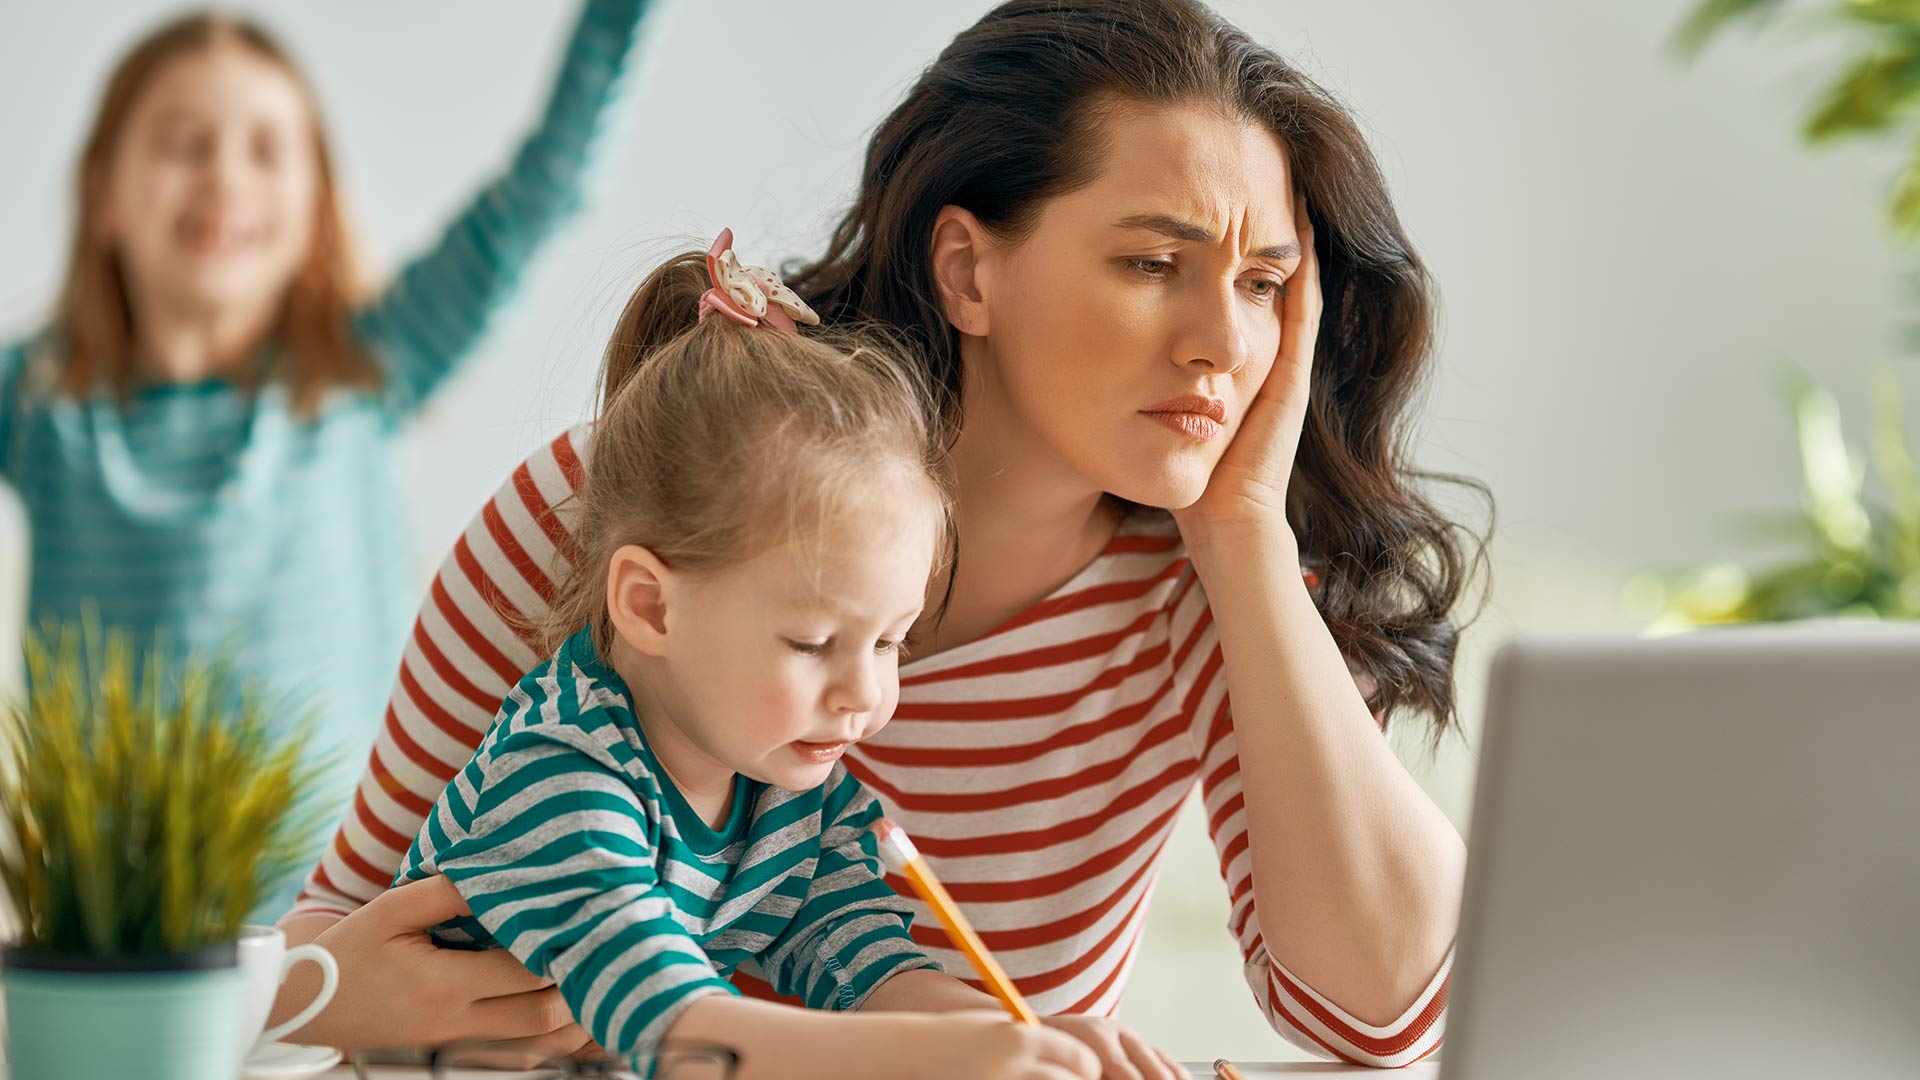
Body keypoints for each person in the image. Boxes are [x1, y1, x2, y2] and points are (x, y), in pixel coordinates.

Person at [279, 0, 1481, 1066]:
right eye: (1154, 261)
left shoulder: (1207, 589)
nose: (1223, 341)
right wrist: (328, 999)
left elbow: (1383, 1020)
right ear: (967, 271)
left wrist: (1245, 534)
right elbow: (331, 935)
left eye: (1265, 285)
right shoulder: (608, 512)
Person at [391, 233, 1171, 1079]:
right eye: (811, 643)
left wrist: (1030, 1039)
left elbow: (873, 972)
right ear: (650, 605)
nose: (863, 694)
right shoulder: (558, 776)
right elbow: (675, 1028)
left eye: (889, 641)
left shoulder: (784, 787)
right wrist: (944, 1055)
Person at [0, 1, 659, 916]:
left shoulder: (361, 372)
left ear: (314, 210)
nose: (225, 175)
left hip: (343, 912)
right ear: (104, 192)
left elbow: (536, 199)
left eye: (267, 151)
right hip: (111, 927)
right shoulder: (36, 403)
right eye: (184, 143)